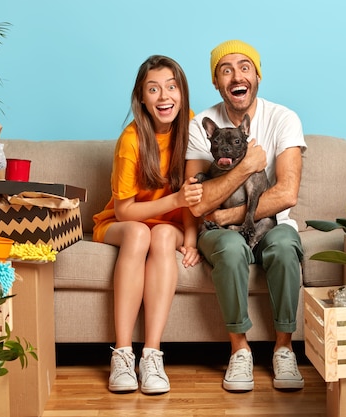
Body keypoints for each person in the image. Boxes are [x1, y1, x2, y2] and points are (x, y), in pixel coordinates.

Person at [186, 40, 307, 392]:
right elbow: (196, 203)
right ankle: (240, 350)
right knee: (231, 248)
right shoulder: (200, 125)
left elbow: (286, 194)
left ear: (256, 75)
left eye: (244, 67)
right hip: (216, 228)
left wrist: (230, 217)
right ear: (215, 81)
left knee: (285, 245)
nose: (236, 75)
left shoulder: (283, 118)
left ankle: (284, 349)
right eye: (226, 69)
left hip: (269, 224)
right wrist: (245, 167)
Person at [92, 55, 203, 395]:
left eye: (171, 87)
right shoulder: (131, 139)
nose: (163, 96)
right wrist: (175, 201)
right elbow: (125, 212)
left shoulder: (194, 128)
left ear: (182, 93)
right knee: (142, 233)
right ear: (141, 97)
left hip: (166, 223)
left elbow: (193, 194)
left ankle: (152, 356)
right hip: (123, 221)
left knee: (164, 235)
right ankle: (122, 354)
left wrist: (191, 237)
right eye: (153, 89)